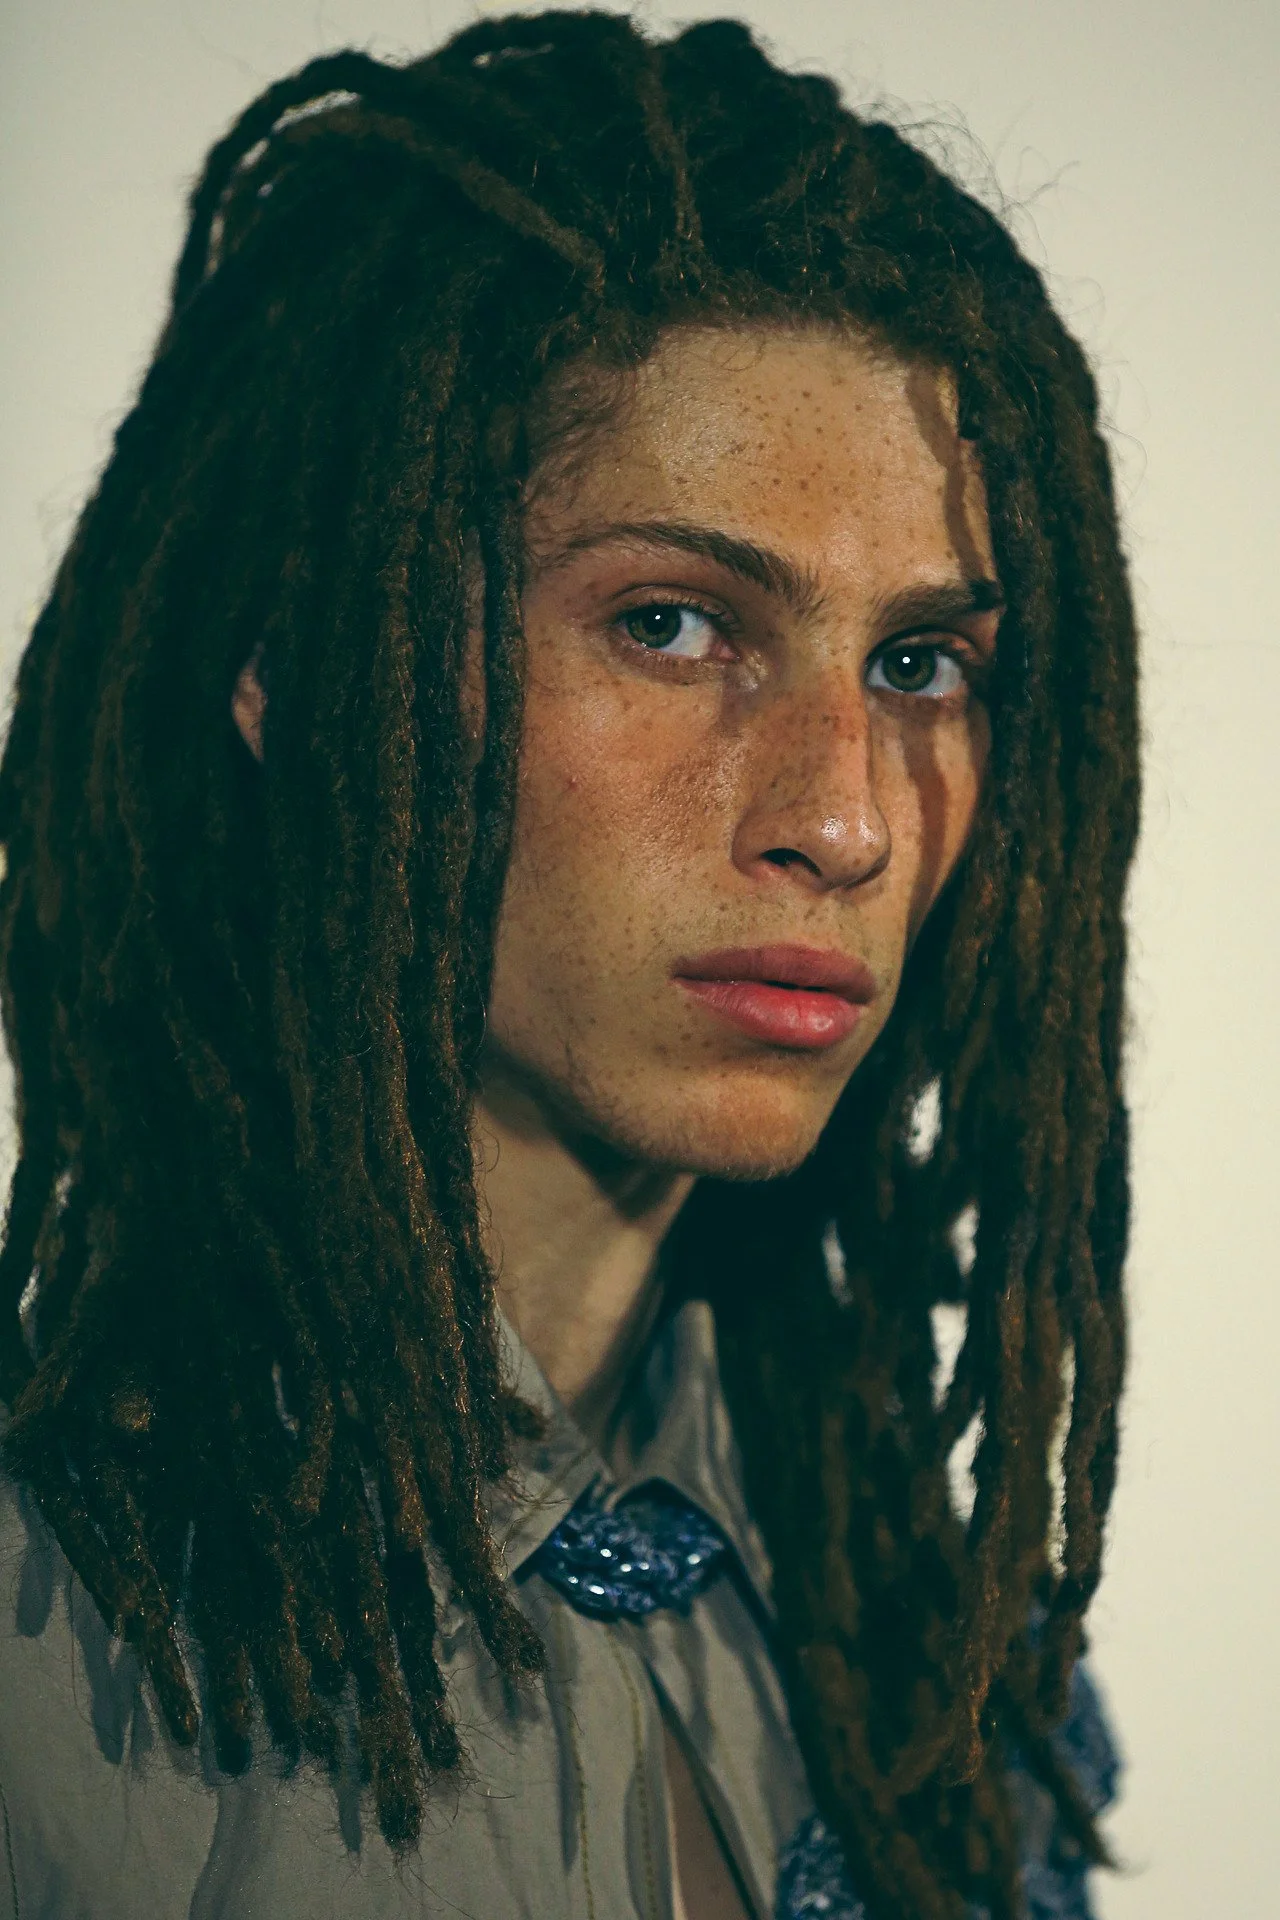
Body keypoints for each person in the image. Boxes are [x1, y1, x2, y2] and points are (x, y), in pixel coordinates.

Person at [0, 11, 1136, 1919]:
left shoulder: (924, 1652)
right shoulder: (58, 1674)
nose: (844, 820)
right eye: (675, 623)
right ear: (301, 663)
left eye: (922, 664)